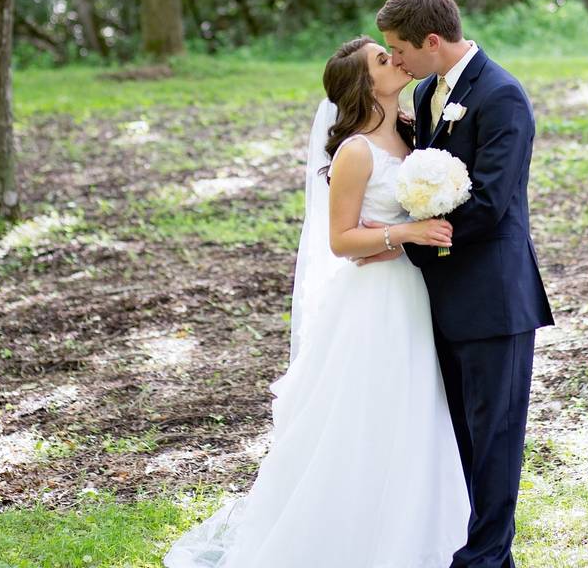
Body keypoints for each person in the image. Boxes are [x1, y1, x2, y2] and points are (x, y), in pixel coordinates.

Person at [162, 35, 470, 567]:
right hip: (375, 303)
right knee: (370, 415)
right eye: (382, 59)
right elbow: (341, 240)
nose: (396, 59)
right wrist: (404, 234)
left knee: (422, 408)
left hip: (418, 294)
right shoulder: (355, 152)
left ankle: (419, 531)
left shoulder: (414, 131)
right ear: (364, 85)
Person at [363, 0, 555, 568]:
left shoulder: (502, 97)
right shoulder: (425, 93)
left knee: (495, 436)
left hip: (495, 295)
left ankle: (486, 560)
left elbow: (493, 200)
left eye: (399, 49)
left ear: (432, 40)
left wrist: (420, 241)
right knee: (464, 435)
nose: (395, 60)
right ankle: (489, 554)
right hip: (441, 297)